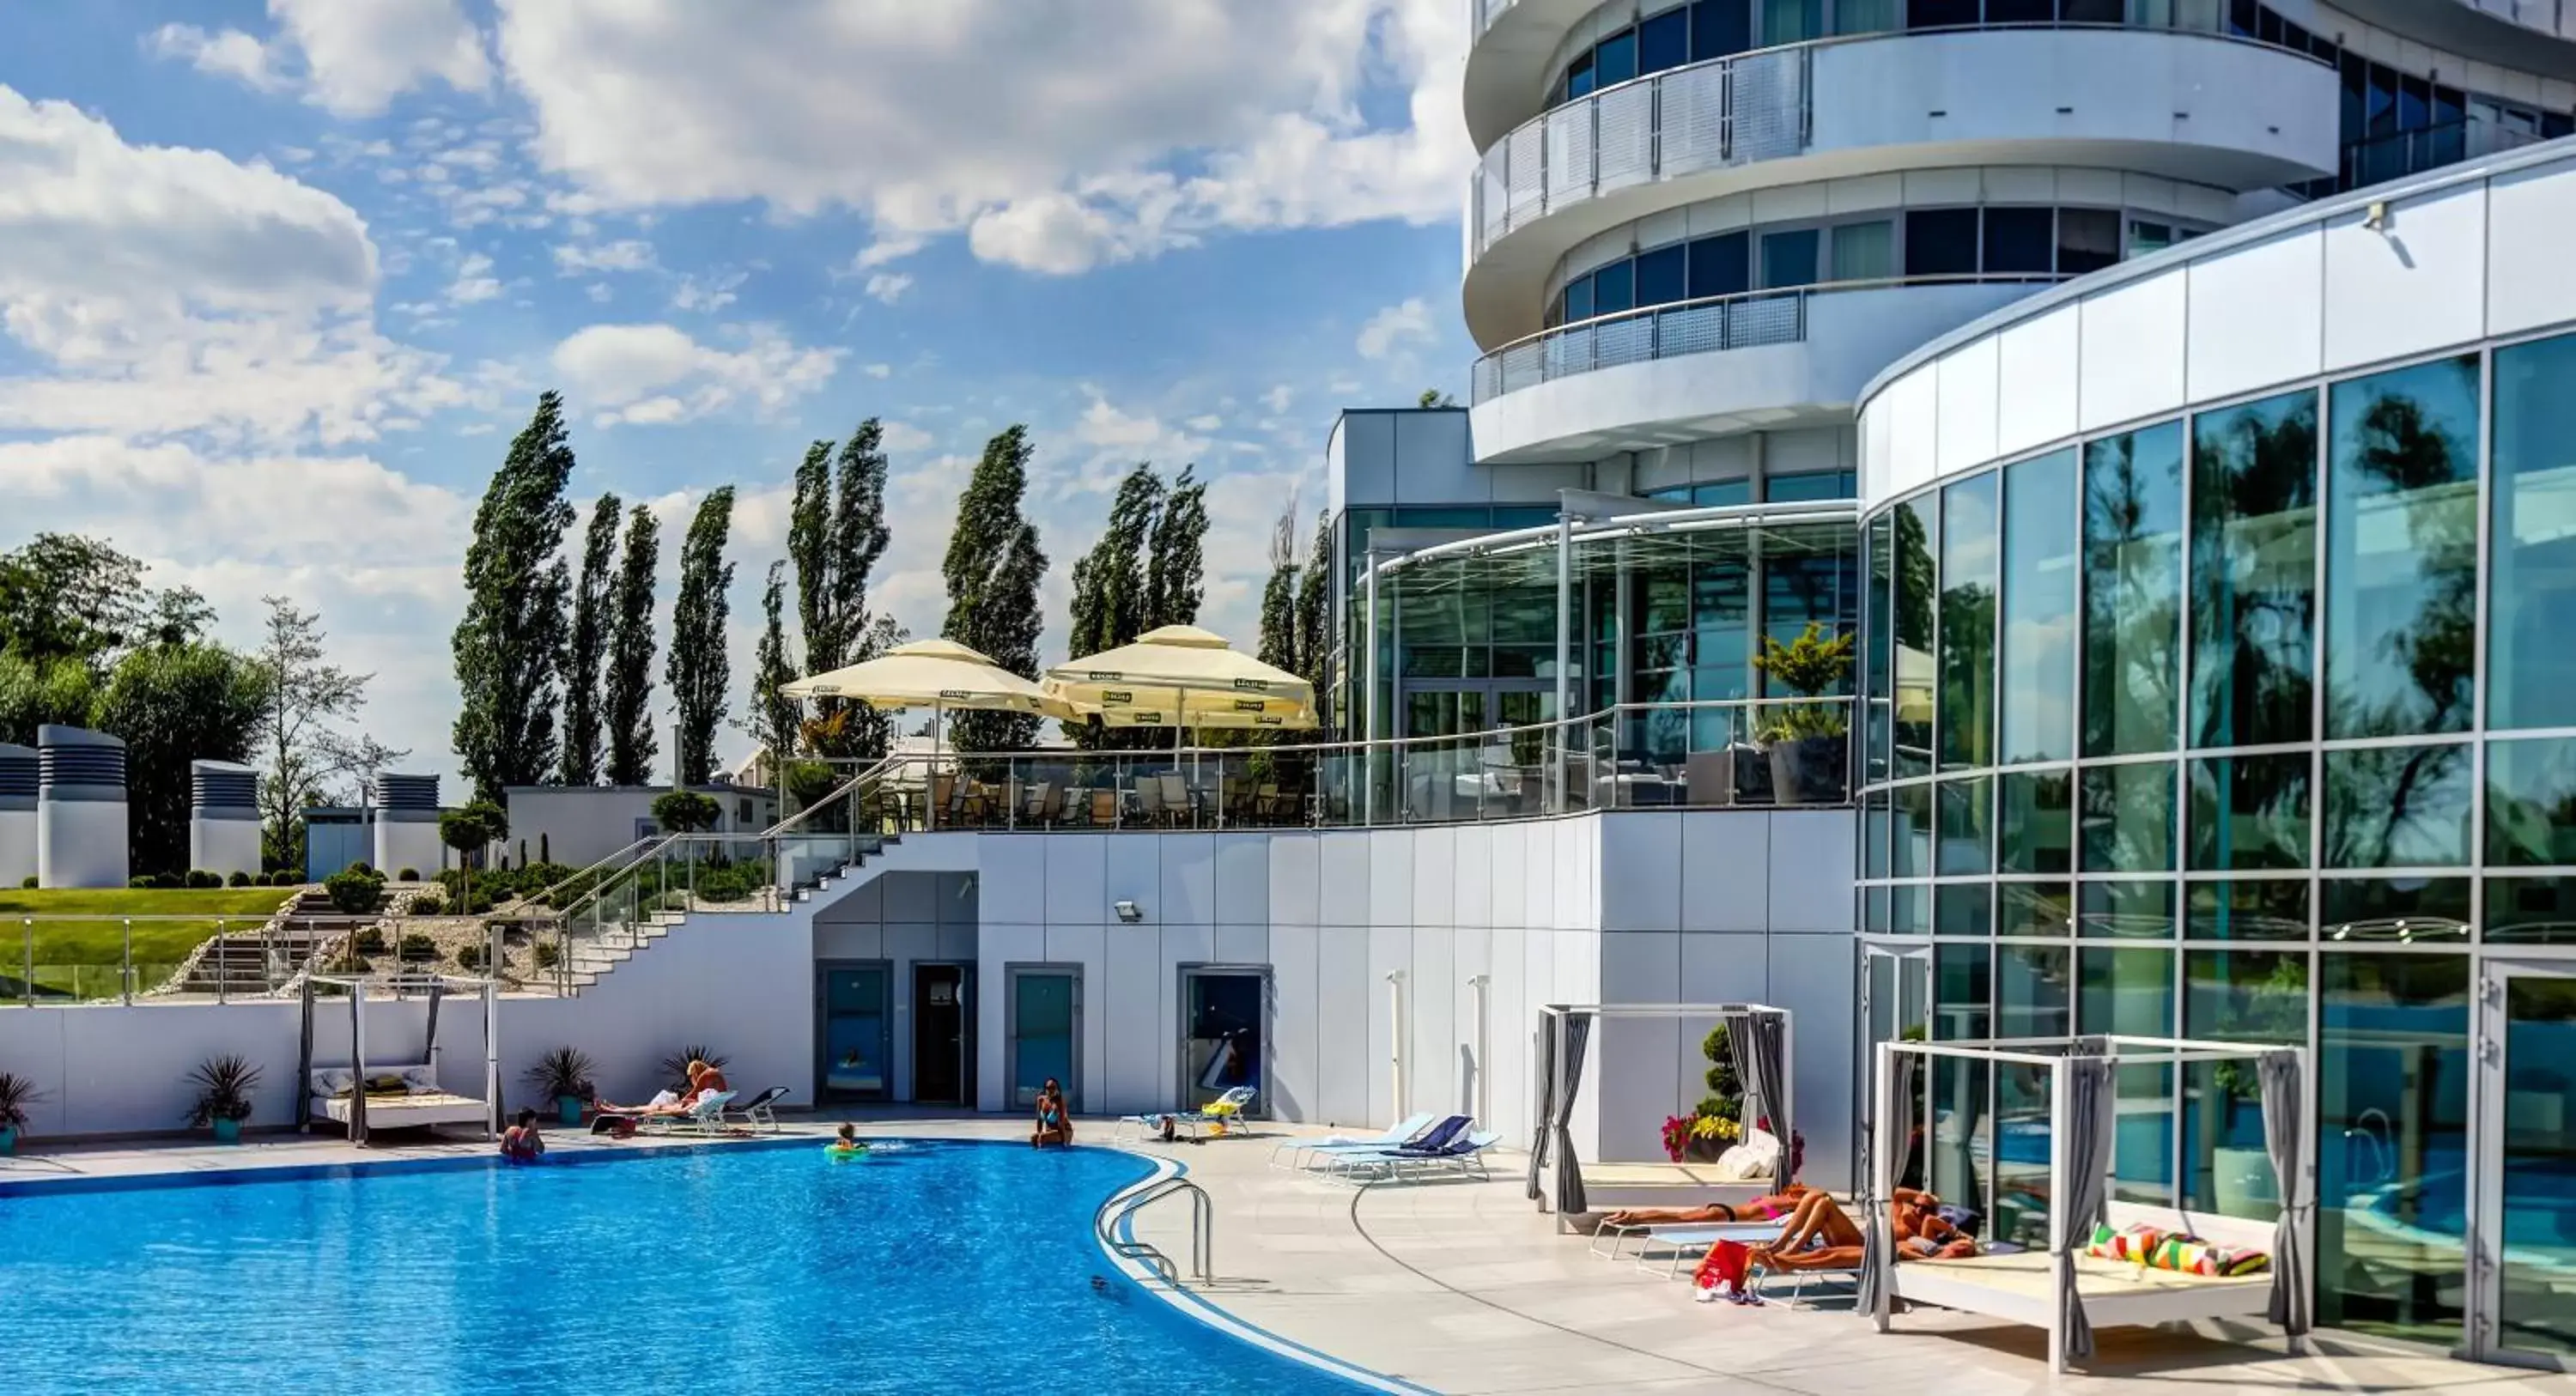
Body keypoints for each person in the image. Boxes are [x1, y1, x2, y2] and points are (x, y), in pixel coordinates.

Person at [1031, 1077, 1072, 1149]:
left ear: (1057, 1089)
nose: (1051, 1090)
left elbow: (1061, 1125)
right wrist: (1039, 1133)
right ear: (1045, 1089)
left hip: (1064, 1132)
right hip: (1050, 1131)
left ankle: (1042, 1157)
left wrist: (1064, 1142)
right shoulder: (1041, 1100)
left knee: (1043, 1137)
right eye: (1048, 1088)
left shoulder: (1059, 1103)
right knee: (1033, 1138)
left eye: (1053, 1088)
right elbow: (1039, 1120)